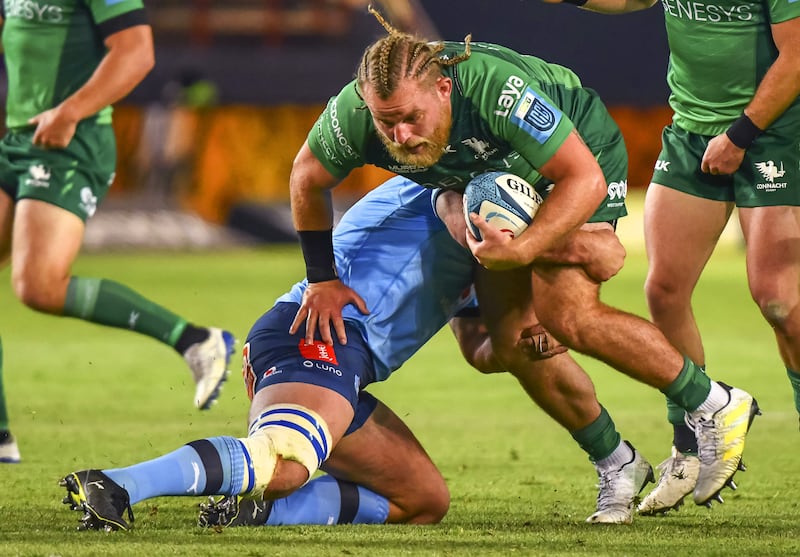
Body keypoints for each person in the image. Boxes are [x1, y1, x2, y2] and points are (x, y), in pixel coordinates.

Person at [288, 6, 758, 516]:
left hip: (575, 155)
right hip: (485, 179)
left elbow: (584, 179)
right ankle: (617, 463)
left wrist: (526, 249)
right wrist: (321, 279)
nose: (399, 136)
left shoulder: (496, 90)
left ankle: (712, 401)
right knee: (515, 344)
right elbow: (306, 177)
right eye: (387, 123)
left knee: (567, 313)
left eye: (410, 119)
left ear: (443, 90)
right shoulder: (355, 115)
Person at [61, 175, 642, 531]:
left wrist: (529, 343)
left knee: (421, 502)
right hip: (314, 331)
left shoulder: (484, 252)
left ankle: (259, 512)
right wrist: (566, 242)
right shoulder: (460, 196)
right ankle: (114, 484)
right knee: (286, 460)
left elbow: (479, 350)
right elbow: (451, 203)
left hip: (348, 364)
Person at [544, 0, 800, 514]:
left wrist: (741, 134)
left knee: (780, 302)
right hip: (692, 134)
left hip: (772, 135)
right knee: (663, 289)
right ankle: (690, 449)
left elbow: (796, 55)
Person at [0, 1, 235, 464]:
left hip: (72, 140)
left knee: (39, 287)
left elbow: (136, 51)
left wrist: (69, 112)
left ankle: (195, 339)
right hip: (19, 138)